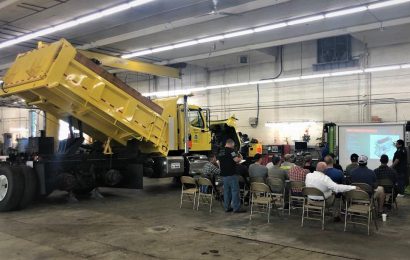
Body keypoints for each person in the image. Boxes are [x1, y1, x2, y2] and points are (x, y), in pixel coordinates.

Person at [218, 139, 246, 213]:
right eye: (233, 145)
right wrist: (241, 158)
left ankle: (227, 207)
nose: (233, 147)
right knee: (235, 191)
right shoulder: (232, 151)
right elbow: (236, 160)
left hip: (224, 175)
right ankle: (236, 208)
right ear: (231, 144)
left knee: (226, 191)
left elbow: (219, 163)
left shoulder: (221, 152)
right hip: (232, 174)